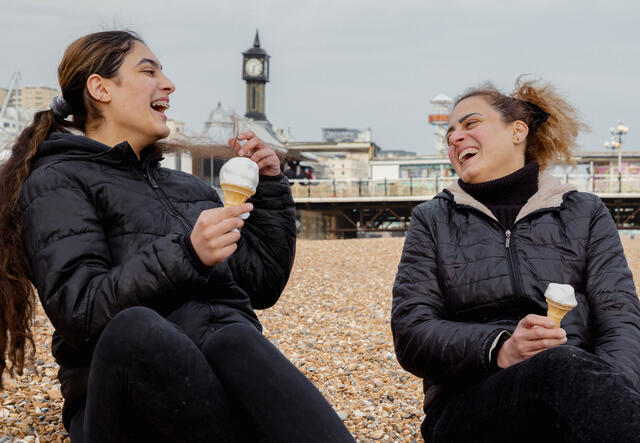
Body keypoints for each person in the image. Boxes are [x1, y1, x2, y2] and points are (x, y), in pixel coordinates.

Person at [0, 30, 354, 442]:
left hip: (219, 382)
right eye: (148, 71)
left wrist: (272, 187)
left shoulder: (189, 189)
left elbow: (262, 283)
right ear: (100, 89)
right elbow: (79, 309)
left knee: (233, 335)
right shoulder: (57, 182)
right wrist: (187, 254)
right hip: (125, 401)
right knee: (137, 329)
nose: (168, 84)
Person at [391, 77, 640, 442]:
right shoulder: (432, 219)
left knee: (568, 370)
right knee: (556, 366)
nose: (455, 138)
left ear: (518, 131)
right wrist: (500, 348)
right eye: (450, 134)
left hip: (580, 389)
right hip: (469, 406)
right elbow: (412, 332)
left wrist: (608, 391)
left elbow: (620, 318)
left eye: (470, 124)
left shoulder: (585, 212)